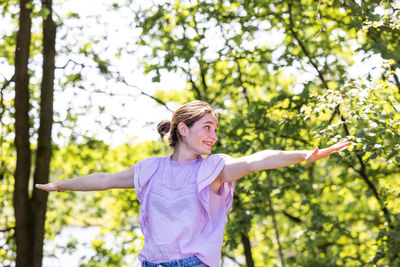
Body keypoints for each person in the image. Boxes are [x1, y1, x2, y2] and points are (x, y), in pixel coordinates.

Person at [36, 100, 350, 267]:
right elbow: (104, 180)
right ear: (183, 130)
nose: (213, 135)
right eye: (207, 127)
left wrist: (305, 156)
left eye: (216, 129)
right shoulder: (150, 169)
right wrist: (60, 185)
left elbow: (257, 159)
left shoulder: (213, 170)